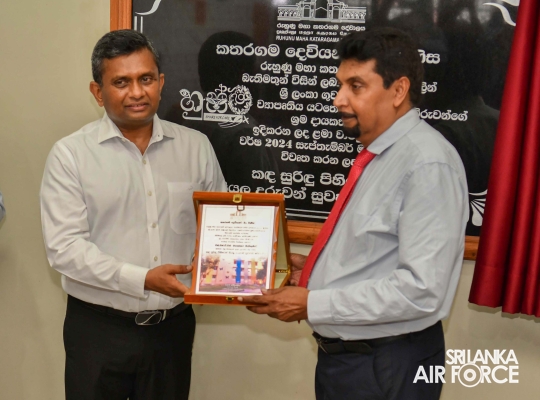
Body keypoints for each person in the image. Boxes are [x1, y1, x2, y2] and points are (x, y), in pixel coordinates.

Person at [243, 28, 468, 400]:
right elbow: (377, 252)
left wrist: (312, 302)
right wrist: (316, 272)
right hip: (355, 362)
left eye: (356, 86)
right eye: (340, 85)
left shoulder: (426, 164)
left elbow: (422, 290)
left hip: (387, 364)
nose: (338, 99)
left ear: (398, 90)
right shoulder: (382, 154)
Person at [40, 30, 226, 400]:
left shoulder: (196, 147)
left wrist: (237, 270)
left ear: (161, 82)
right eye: (121, 82)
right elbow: (65, 249)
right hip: (98, 331)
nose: (137, 92)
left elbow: (223, 227)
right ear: (98, 92)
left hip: (172, 331)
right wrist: (143, 279)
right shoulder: (70, 155)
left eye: (146, 79)